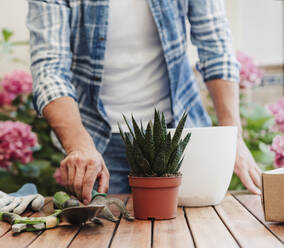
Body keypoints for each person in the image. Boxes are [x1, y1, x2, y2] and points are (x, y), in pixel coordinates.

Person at [26, 0, 262, 204]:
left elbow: (215, 44)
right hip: (98, 143)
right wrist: (79, 146)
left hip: (176, 137)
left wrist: (234, 135)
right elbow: (49, 70)